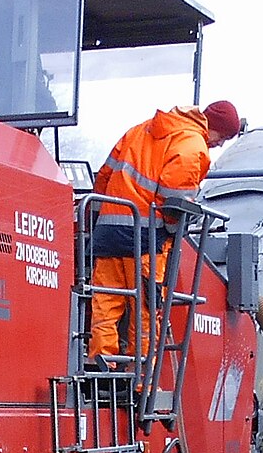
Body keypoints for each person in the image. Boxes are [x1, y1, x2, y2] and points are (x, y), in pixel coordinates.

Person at [86, 100, 242, 367]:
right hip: (145, 239)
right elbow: (175, 201)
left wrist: (99, 220)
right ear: (213, 127)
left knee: (105, 304)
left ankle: (104, 368)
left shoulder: (139, 130)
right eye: (222, 137)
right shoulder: (194, 147)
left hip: (109, 233)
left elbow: (104, 176)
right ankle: (142, 381)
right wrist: (172, 231)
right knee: (146, 311)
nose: (219, 144)